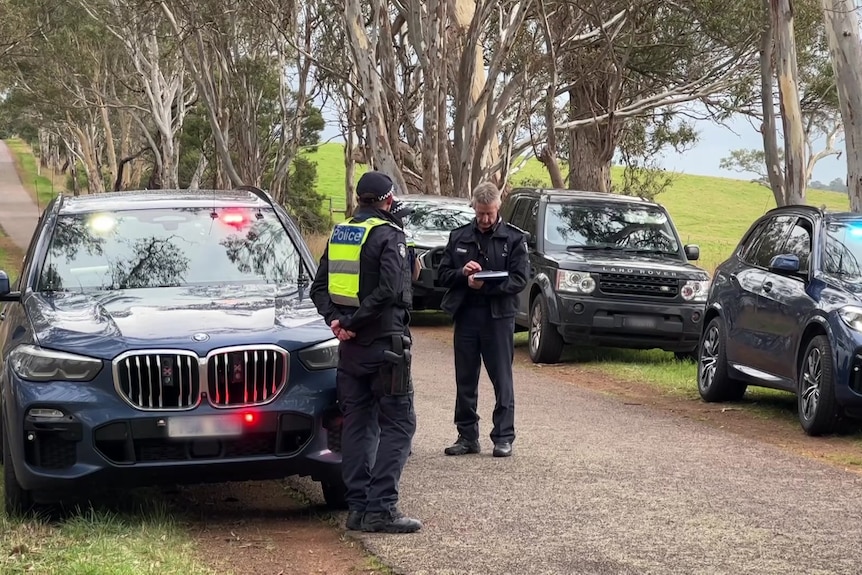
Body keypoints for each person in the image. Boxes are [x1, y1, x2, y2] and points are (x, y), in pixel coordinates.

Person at [310, 171, 421, 534]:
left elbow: (318, 287)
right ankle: (382, 508)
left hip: (350, 349)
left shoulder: (341, 233)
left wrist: (336, 322)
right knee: (400, 424)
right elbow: (391, 289)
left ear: (360, 199)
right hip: (384, 346)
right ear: (388, 200)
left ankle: (358, 508)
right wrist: (355, 321)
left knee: (358, 425)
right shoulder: (389, 235)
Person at [436, 181, 529, 458]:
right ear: (474, 208)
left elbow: (520, 279)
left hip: (498, 318)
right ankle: (467, 436)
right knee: (465, 379)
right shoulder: (459, 236)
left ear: (498, 207)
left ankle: (503, 437)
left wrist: (486, 285)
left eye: (489, 213)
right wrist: (463, 274)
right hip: (466, 315)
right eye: (480, 214)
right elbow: (443, 275)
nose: (485, 219)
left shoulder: (514, 239)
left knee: (502, 379)